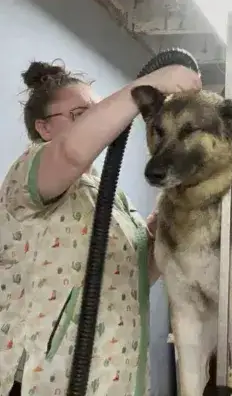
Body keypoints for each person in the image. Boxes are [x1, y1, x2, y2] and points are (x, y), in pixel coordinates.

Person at [0, 60, 201, 396]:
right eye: (81, 114)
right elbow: (69, 153)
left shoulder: (109, 196)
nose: (95, 120)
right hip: (46, 380)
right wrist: (150, 83)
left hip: (112, 377)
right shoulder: (28, 174)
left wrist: (166, 225)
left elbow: (136, 274)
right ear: (44, 128)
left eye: (96, 111)